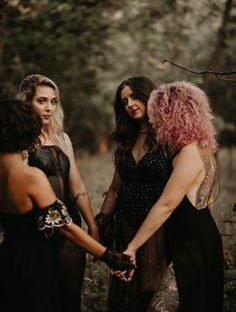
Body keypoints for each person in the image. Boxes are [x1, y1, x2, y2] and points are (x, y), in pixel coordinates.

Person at [0, 99, 134, 312]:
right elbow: (64, 226)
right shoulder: (30, 176)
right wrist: (108, 256)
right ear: (26, 130)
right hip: (34, 263)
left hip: (7, 258)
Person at [123, 81, 224, 312]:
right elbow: (206, 202)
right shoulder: (202, 147)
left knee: (161, 308)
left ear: (171, 115)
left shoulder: (189, 152)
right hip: (199, 237)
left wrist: (132, 247)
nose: (155, 121)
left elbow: (166, 205)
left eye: (157, 114)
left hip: (192, 245)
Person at [16, 74, 99, 312]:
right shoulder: (18, 141)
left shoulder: (63, 139)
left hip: (71, 230)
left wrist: (92, 227)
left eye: (54, 101)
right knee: (40, 300)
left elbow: (77, 187)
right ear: (27, 102)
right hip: (35, 232)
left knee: (71, 300)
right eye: (42, 101)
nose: (49, 107)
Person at [96, 76, 172, 312]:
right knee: (127, 295)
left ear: (149, 96)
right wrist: (100, 222)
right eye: (124, 101)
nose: (129, 104)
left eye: (135, 97)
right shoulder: (125, 141)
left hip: (159, 227)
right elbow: (115, 189)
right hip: (126, 225)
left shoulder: (167, 137)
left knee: (154, 294)